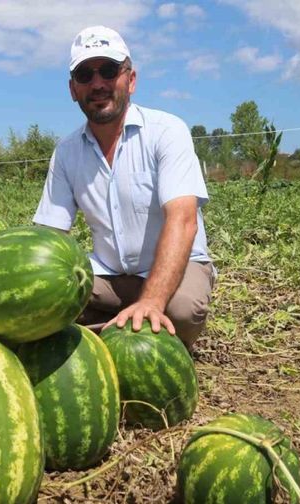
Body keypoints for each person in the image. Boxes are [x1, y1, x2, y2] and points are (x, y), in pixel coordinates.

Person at [33, 26, 215, 348]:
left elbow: (182, 220)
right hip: (109, 275)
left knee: (181, 311)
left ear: (130, 80)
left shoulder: (166, 131)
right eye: (85, 75)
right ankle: (116, 327)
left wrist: (152, 301)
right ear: (73, 89)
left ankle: (120, 327)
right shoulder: (66, 151)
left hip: (177, 266)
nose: (98, 83)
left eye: (108, 70)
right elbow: (49, 235)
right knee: (42, 301)